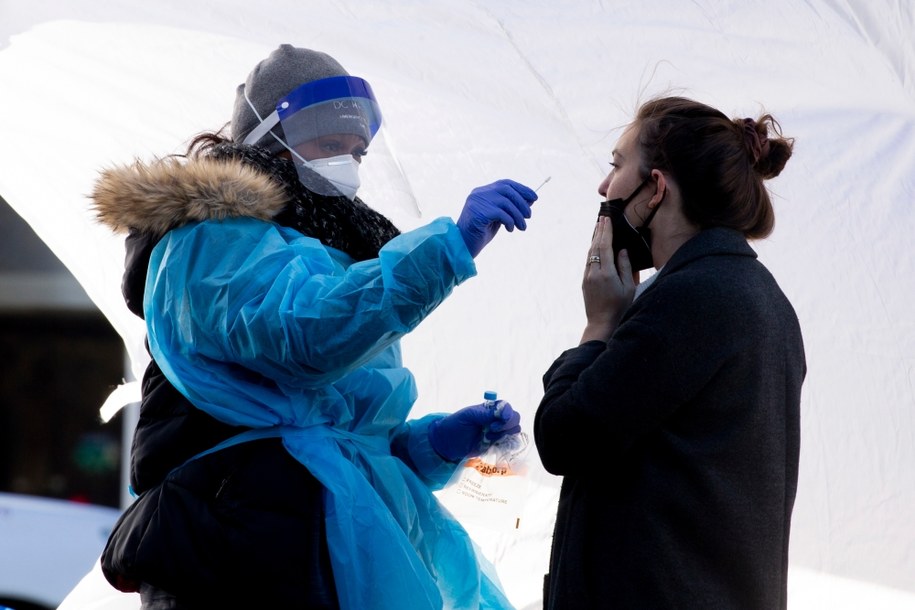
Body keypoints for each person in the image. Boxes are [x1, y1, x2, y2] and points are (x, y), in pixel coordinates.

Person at [92, 44, 537, 610]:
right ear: (269, 142)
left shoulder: (334, 257)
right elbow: (304, 340)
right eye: (330, 144)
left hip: (298, 538)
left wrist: (433, 444)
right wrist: (450, 248)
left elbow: (343, 439)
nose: (347, 163)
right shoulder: (210, 236)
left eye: (358, 150)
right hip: (232, 543)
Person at [533, 96, 805, 609]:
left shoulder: (693, 297)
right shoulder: (756, 293)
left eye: (615, 166)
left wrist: (599, 324)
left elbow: (564, 438)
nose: (603, 187)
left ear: (656, 188)